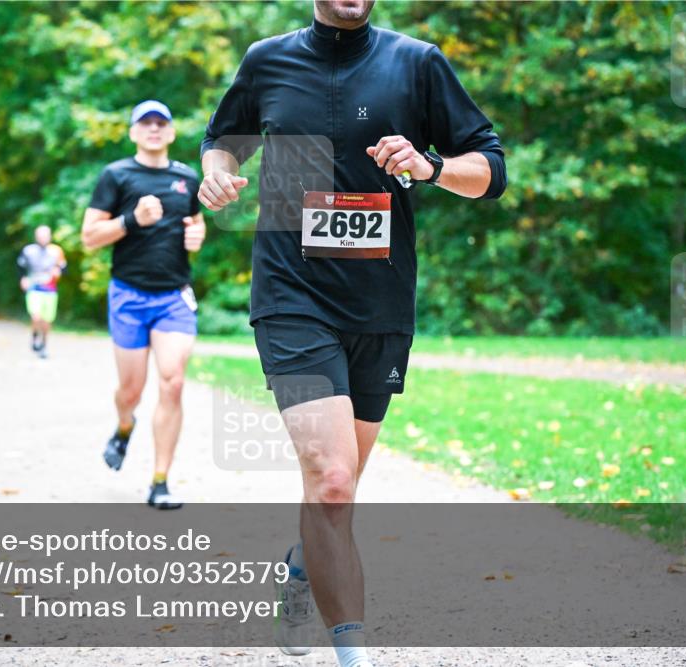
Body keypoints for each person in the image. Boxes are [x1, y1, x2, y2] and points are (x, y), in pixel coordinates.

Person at [199, 1, 507, 665]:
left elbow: (491, 169)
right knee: (334, 479)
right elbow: (222, 138)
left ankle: (301, 566)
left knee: (334, 489)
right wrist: (217, 173)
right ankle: (354, 655)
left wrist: (428, 167)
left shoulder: (415, 63)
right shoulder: (267, 59)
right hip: (291, 294)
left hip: (379, 305)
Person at [81, 100, 206, 510]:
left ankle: (160, 481)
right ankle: (123, 426)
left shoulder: (186, 178)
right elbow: (89, 237)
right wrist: (132, 220)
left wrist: (197, 236)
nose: (154, 129)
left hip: (173, 296)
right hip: (129, 295)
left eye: (161, 123)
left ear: (171, 132)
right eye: (145, 123)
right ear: (133, 132)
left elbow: (196, 221)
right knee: (130, 391)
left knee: (172, 381)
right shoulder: (116, 176)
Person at [17, 226, 67, 359]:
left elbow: (64, 268)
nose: (43, 238)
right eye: (40, 235)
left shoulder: (56, 251)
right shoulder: (29, 250)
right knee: (36, 317)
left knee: (47, 321)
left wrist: (58, 271)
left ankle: (44, 345)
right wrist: (22, 279)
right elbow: (20, 266)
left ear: (50, 236)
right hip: (34, 288)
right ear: (36, 236)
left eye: (45, 235)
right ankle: (34, 336)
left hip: (50, 289)